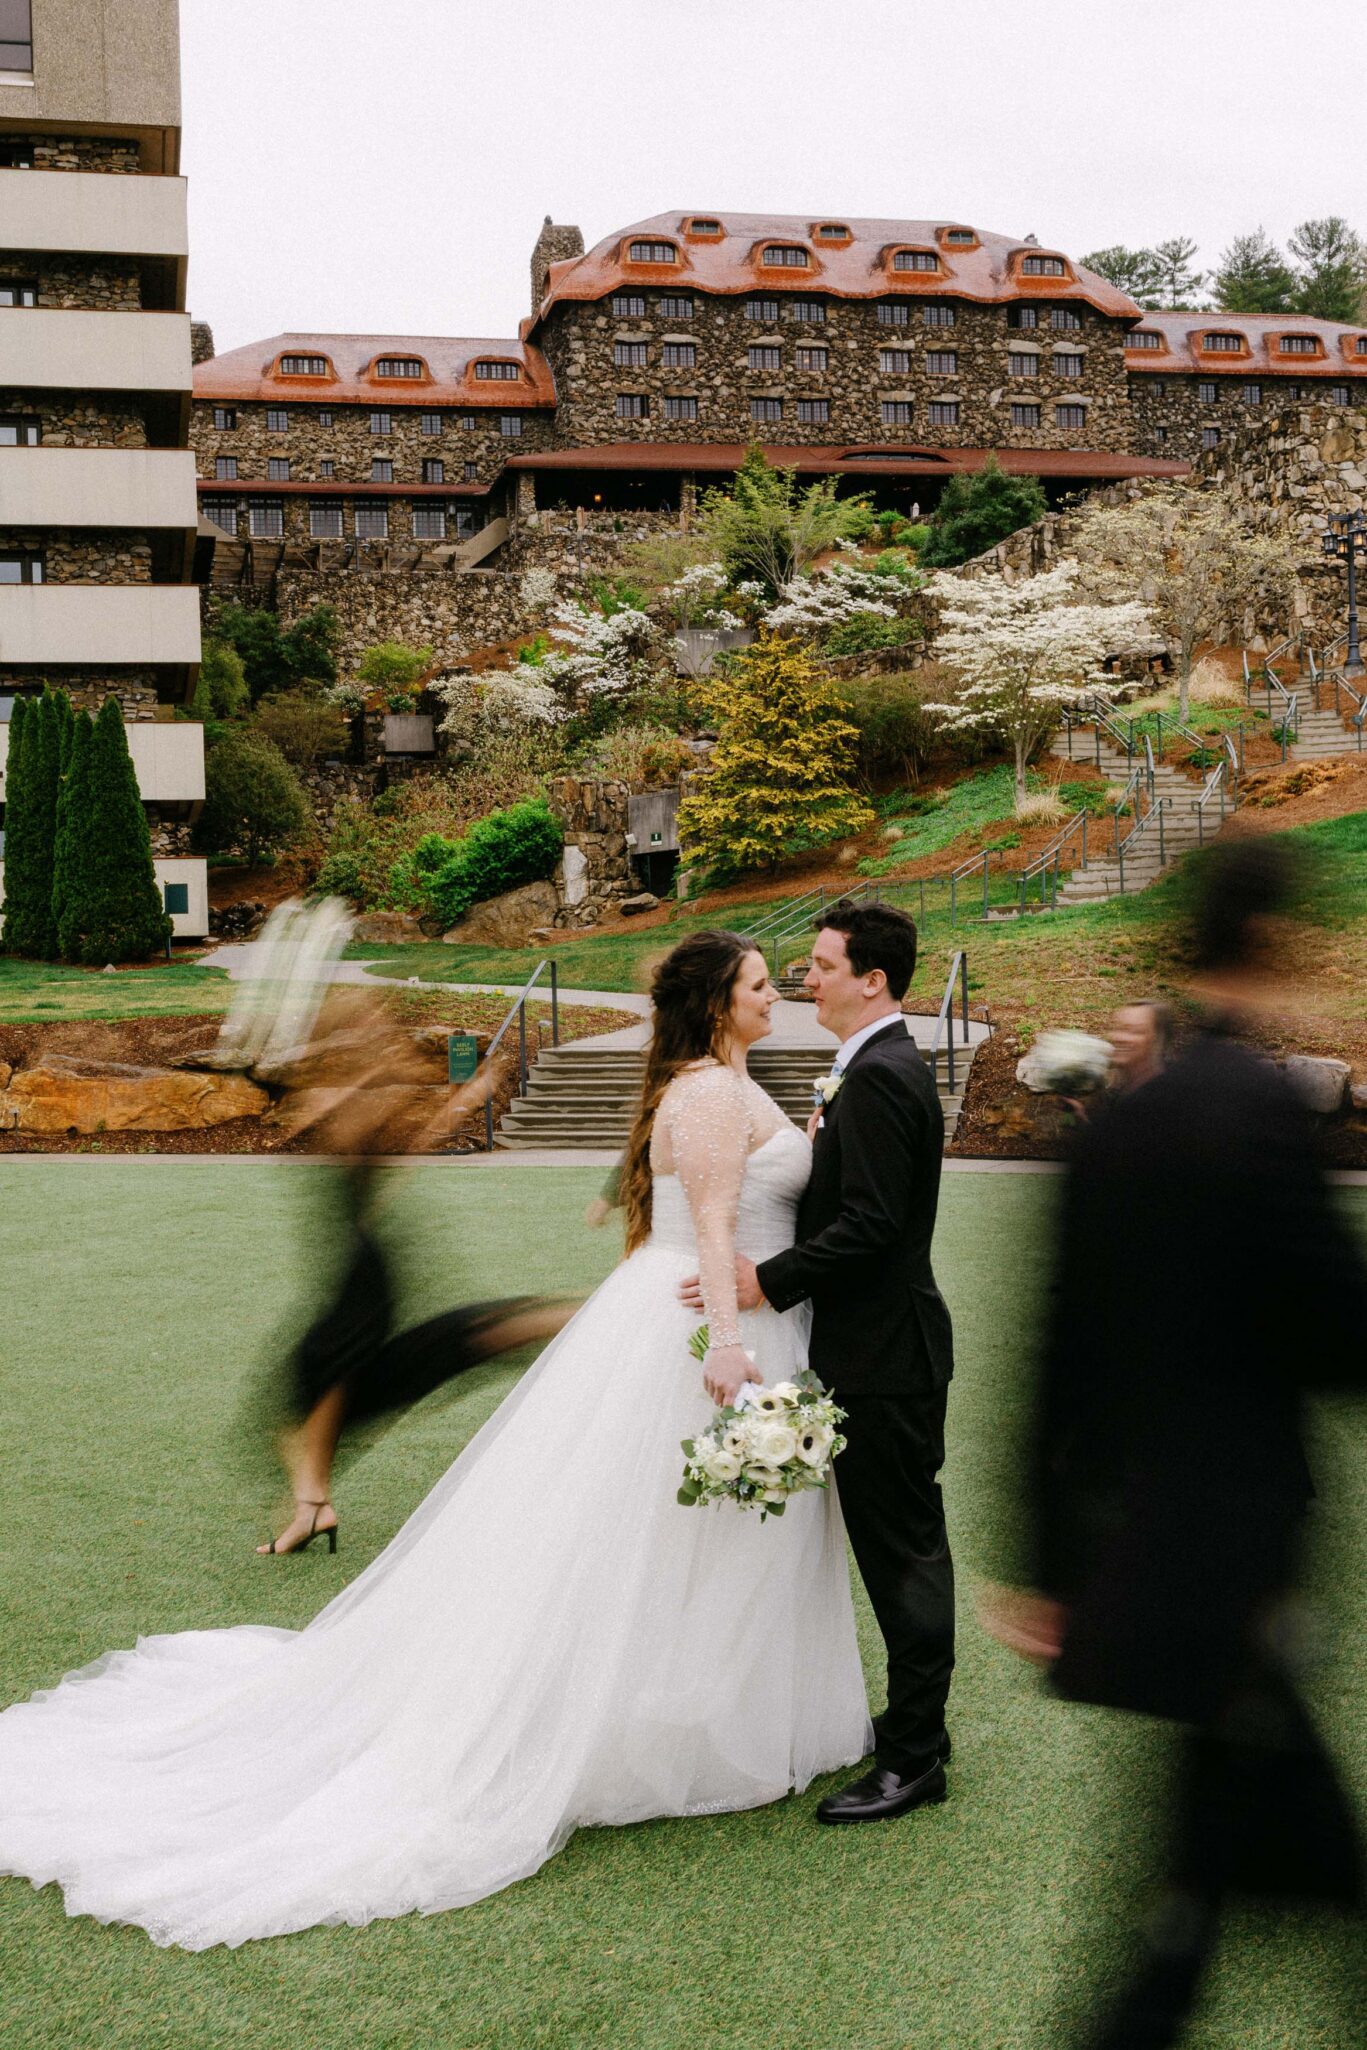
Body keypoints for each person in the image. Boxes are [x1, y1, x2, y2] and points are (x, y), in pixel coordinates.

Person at [0, 930, 868, 1950]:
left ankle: (700, 1710)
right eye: (763, 984)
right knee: (676, 1527)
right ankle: (678, 1722)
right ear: (720, 1003)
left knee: (684, 1532)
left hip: (707, 1312)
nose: (779, 994)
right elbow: (716, 1225)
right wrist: (725, 1343)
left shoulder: (711, 1079)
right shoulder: (711, 1094)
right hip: (710, 1325)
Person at [1028, 840, 1367, 2047]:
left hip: (1142, 1537)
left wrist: (1041, 1554)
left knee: (1224, 1832)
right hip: (1244, 1541)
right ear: (1271, 950)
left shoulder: (1110, 1129)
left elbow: (1054, 1351)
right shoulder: (1263, 1110)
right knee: (1232, 1843)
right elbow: (1333, 1329)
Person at [682, 899, 955, 1824]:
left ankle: (916, 1756)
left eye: (822, 964)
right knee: (887, 1548)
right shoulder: (865, 1066)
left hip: (887, 1355)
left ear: (870, 979)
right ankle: (912, 1727)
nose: (807, 977)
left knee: (903, 1551)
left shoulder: (879, 1075)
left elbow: (873, 1225)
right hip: (866, 1348)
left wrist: (769, 1281)